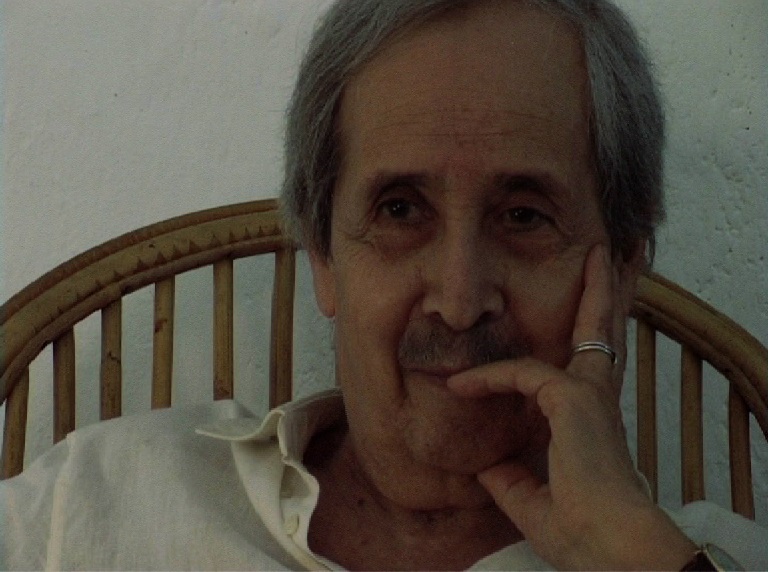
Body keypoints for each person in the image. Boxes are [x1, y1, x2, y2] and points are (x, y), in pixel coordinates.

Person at [1, 0, 766, 569]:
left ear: (625, 265)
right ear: (323, 256)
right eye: (400, 211)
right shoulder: (97, 499)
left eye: (524, 217)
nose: (459, 303)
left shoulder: (700, 557)